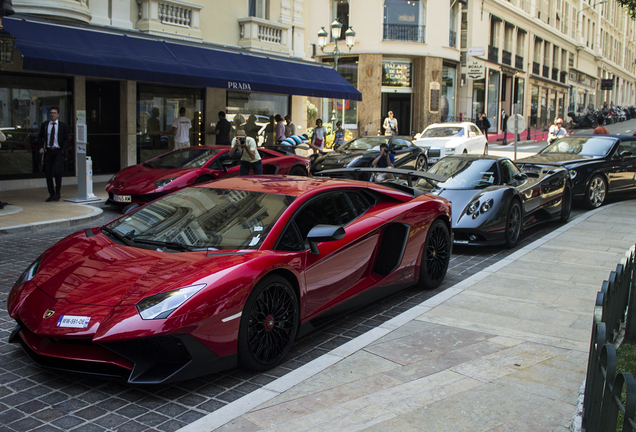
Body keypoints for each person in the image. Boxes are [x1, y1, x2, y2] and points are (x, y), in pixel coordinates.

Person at [38, 106, 70, 202]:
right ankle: (51, 193)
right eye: (51, 113)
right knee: (48, 173)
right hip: (48, 151)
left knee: (57, 171)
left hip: (58, 151)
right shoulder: (45, 125)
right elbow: (40, 137)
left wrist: (63, 150)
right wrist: (40, 147)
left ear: (58, 114)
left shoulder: (62, 125)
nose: (52, 114)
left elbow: (66, 139)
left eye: (54, 113)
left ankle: (57, 192)